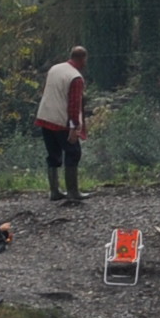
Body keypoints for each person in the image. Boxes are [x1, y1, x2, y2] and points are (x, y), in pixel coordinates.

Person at [35, 45, 90, 203]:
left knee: (53, 154)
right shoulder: (75, 78)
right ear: (82, 59)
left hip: (45, 116)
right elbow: (74, 104)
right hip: (61, 121)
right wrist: (74, 127)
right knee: (73, 152)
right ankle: (73, 191)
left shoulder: (55, 68)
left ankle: (54, 191)